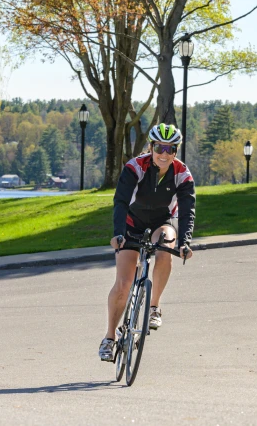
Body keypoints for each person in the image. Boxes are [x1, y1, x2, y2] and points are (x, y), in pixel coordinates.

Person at [99, 123, 196, 361]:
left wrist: (185, 242)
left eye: (170, 148)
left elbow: (186, 211)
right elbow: (120, 202)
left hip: (161, 221)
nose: (164, 153)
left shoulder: (182, 174)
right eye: (159, 147)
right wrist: (119, 233)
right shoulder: (135, 167)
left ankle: (154, 307)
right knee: (123, 284)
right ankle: (110, 338)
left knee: (166, 244)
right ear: (151, 147)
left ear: (176, 151)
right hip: (132, 223)